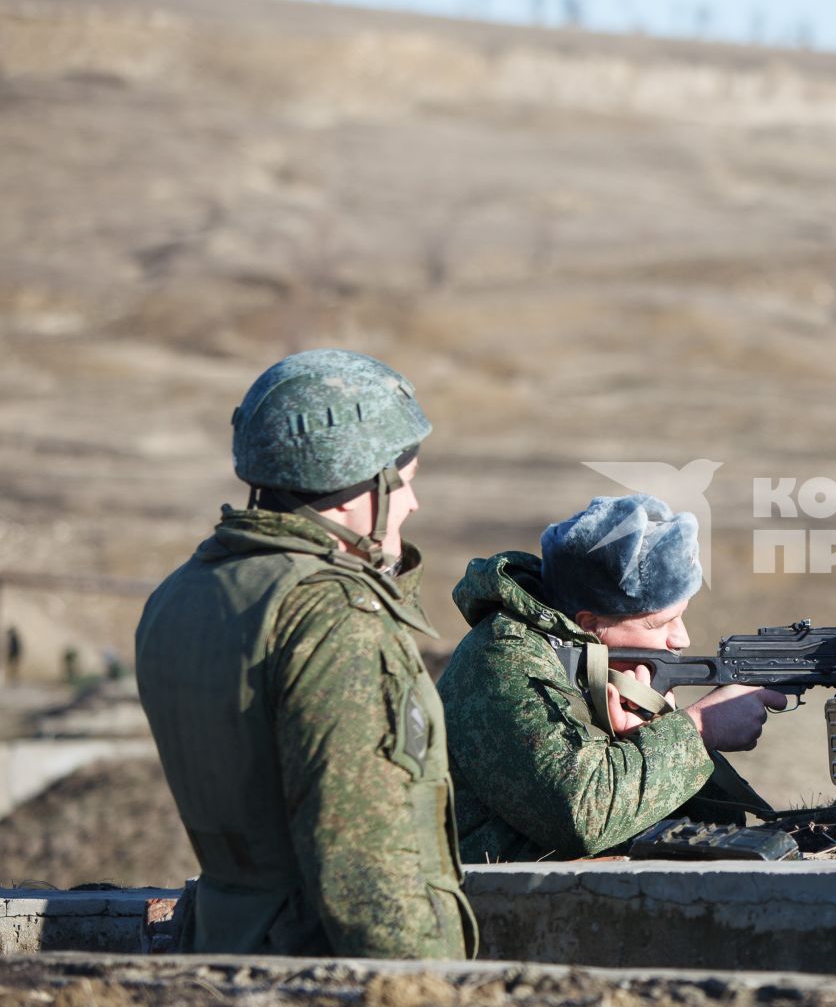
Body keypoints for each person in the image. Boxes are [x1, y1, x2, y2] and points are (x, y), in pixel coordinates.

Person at [134, 349, 475, 959]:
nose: (412, 505)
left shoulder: (185, 591)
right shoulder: (330, 613)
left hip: (222, 946)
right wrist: (429, 999)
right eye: (407, 482)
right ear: (356, 490)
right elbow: (368, 865)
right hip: (318, 972)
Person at [440, 494, 786, 863]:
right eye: (659, 622)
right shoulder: (505, 660)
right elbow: (583, 817)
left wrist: (650, 737)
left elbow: (706, 823)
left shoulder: (589, 661)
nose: (681, 639)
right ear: (591, 624)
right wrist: (697, 729)